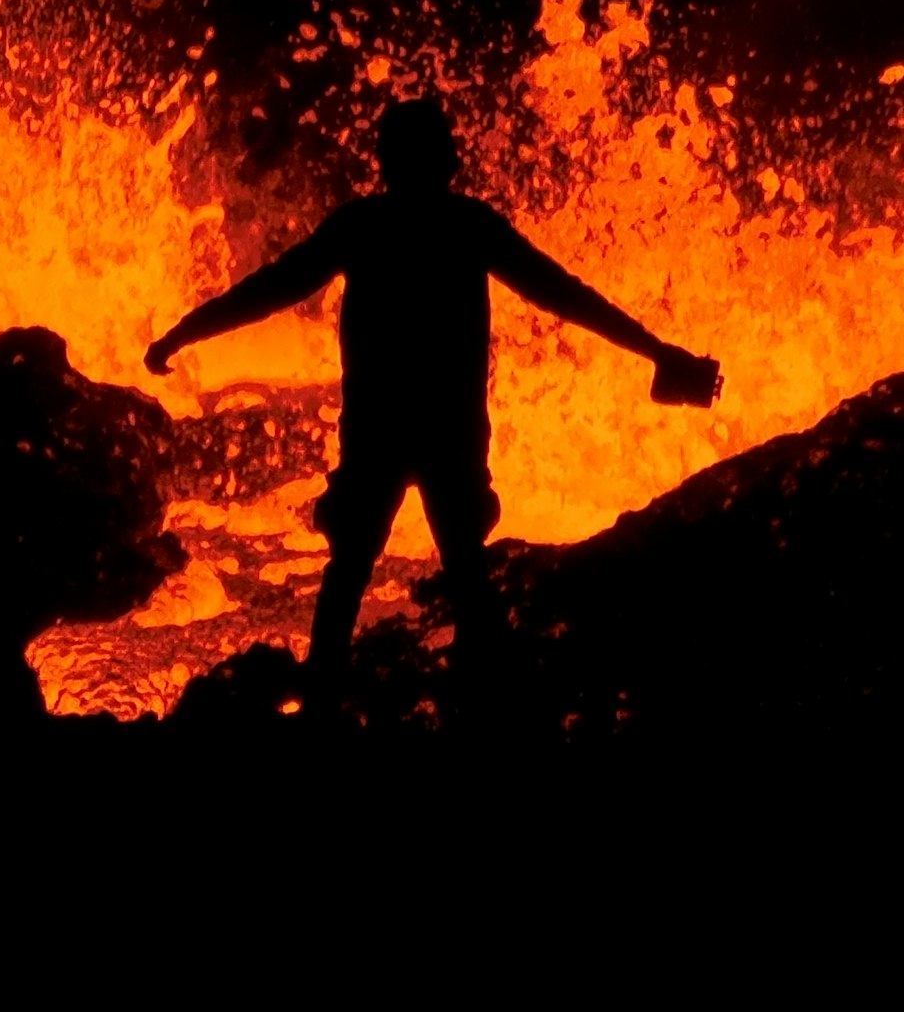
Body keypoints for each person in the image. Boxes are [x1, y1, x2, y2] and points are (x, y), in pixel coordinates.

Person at [145, 98, 707, 715]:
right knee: (464, 577)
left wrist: (185, 333)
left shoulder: (363, 227)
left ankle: (322, 714)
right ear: (449, 161)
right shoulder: (468, 227)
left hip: (382, 428)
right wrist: (653, 349)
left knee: (353, 569)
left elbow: (273, 288)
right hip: (448, 431)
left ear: (386, 163)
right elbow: (565, 295)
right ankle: (486, 718)